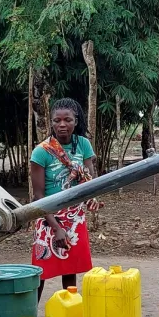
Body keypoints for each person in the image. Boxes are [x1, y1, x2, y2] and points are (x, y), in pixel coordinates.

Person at [30, 98, 98, 302]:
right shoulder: (41, 151)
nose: (62, 125)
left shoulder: (83, 144)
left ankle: (71, 313)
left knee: (71, 271)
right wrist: (56, 227)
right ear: (51, 122)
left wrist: (91, 195)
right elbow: (38, 196)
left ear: (75, 121)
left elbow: (89, 181)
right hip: (47, 216)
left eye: (67, 120)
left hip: (75, 217)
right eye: (57, 120)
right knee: (40, 273)